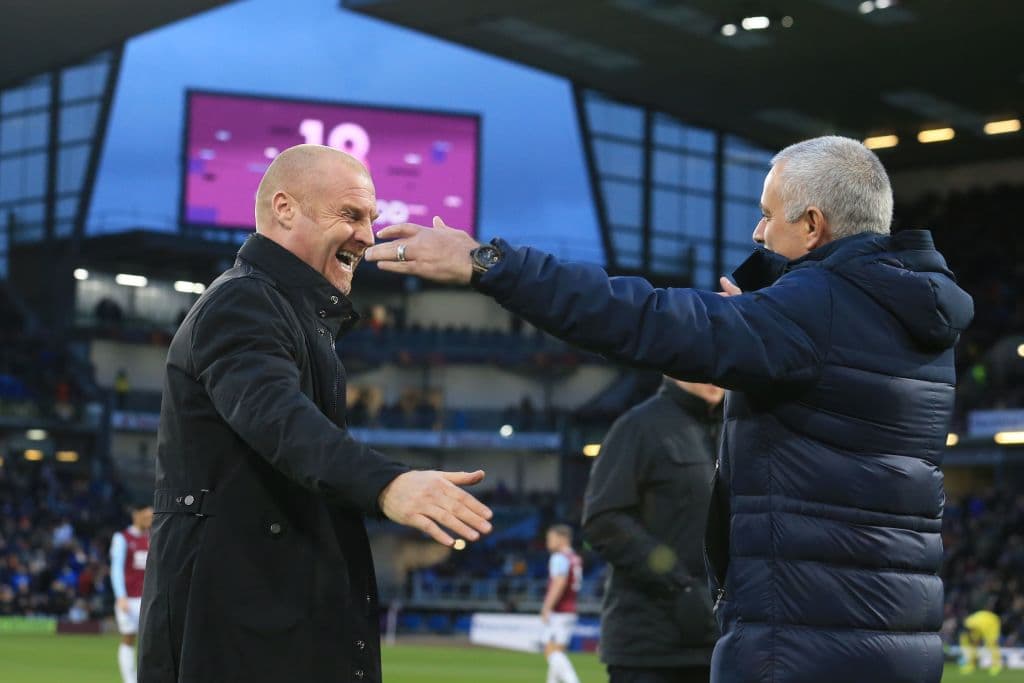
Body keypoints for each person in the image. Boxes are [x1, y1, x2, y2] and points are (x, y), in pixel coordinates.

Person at [365, 136, 975, 683]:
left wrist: (488, 264)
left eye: (767, 216)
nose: (758, 236)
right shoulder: (915, 317)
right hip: (900, 642)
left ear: (813, 225)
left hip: (802, 646)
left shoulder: (812, 315)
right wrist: (764, 317)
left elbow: (643, 316)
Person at [138, 144, 493, 683]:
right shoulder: (244, 302)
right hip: (242, 634)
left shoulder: (291, 314)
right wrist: (386, 484)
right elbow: (277, 418)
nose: (368, 236)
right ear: (284, 209)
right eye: (350, 215)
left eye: (371, 218)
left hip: (266, 625)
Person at [583, 378, 723, 683]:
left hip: (720, 645)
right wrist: (679, 585)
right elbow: (604, 520)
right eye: (699, 365)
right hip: (649, 646)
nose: (713, 376)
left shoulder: (736, 431)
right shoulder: (639, 426)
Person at [110, 502, 153, 683]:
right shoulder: (122, 538)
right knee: (129, 637)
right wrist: (120, 596)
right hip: (129, 599)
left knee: (152, 641)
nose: (150, 520)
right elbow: (116, 568)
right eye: (146, 516)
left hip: (148, 598)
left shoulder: (152, 537)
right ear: (136, 515)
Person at [540, 524, 582, 683]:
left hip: (559, 611)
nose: (548, 542)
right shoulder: (575, 557)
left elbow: (559, 583)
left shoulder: (559, 557)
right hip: (570, 609)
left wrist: (546, 607)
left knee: (550, 651)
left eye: (550, 538)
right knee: (558, 651)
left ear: (562, 538)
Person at [959, 610, 1002, 675]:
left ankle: (996, 666)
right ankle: (971, 664)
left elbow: (977, 640)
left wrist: (975, 641)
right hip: (980, 623)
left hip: (991, 622)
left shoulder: (980, 625)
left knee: (991, 643)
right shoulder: (968, 623)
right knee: (970, 643)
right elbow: (973, 639)